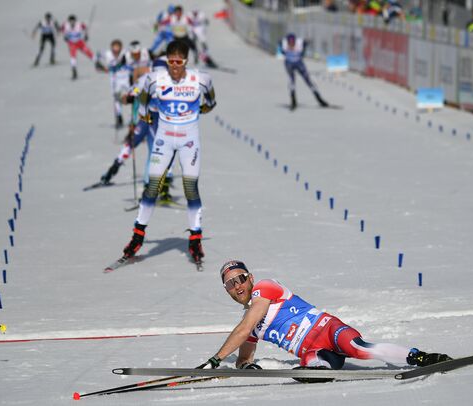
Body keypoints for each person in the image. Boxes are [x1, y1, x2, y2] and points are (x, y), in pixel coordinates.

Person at [197, 260, 453, 380]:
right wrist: (244, 366)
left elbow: (243, 330)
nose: (236, 285)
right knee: (312, 363)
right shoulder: (251, 323)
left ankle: (422, 357)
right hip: (313, 349)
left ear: (250, 278)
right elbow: (245, 354)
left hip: (327, 329)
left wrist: (215, 360)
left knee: (360, 349)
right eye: (229, 284)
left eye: (240, 278)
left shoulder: (264, 288)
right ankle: (320, 372)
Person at [121, 40, 216, 265]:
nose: (174, 67)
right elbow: (143, 102)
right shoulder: (155, 79)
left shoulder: (201, 79)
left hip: (189, 142)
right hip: (164, 139)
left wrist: (201, 109)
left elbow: (211, 102)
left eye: (178, 62)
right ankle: (137, 236)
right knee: (152, 186)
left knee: (190, 187)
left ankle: (195, 237)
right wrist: (144, 116)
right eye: (170, 62)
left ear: (186, 61)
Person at [279, 33, 329, 111]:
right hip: (289, 63)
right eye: (290, 43)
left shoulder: (299, 42)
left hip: (299, 63)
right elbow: (282, 50)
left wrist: (305, 46)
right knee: (292, 80)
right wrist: (282, 47)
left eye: (293, 43)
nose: (291, 45)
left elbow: (307, 42)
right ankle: (293, 100)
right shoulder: (284, 43)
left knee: (308, 80)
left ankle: (319, 99)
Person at [95, 39, 131, 128]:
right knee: (116, 98)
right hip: (114, 79)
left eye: (117, 47)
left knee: (132, 96)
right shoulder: (107, 54)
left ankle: (132, 118)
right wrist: (100, 65)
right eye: (114, 47)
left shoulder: (125, 53)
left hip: (126, 78)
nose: (115, 49)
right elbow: (97, 55)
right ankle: (119, 116)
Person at [61, 14, 95, 80]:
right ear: (68, 21)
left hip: (80, 42)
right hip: (72, 43)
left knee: (88, 52)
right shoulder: (65, 25)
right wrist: (65, 37)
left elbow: (85, 28)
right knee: (73, 56)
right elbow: (62, 30)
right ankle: (74, 70)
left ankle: (97, 63)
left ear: (75, 21)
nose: (72, 23)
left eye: (73, 21)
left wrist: (86, 35)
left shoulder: (79, 24)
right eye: (70, 21)